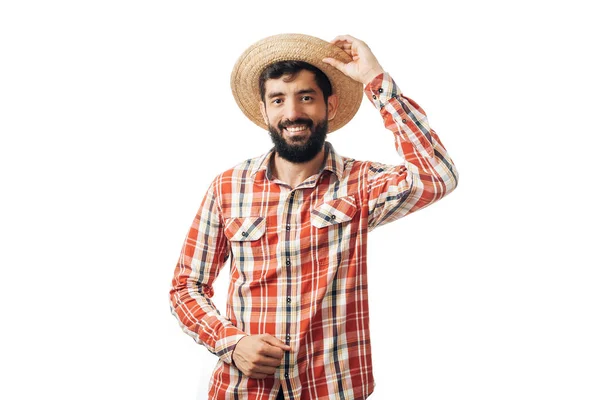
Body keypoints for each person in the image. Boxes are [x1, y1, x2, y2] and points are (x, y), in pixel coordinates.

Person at [170, 33, 458, 400]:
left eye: (306, 97)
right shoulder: (228, 187)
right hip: (244, 391)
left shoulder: (360, 183)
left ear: (330, 105)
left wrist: (375, 80)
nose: (292, 113)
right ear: (264, 112)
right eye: (278, 100)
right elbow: (185, 287)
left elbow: (438, 175)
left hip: (331, 388)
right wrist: (232, 343)